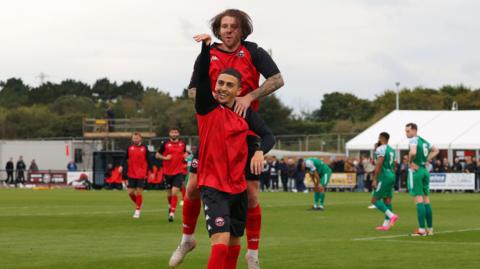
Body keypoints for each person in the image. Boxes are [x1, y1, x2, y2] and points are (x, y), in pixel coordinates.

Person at [171, 9, 284, 269]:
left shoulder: (254, 52)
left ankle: (252, 254)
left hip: (244, 133)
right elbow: (192, 91)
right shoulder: (208, 54)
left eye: (234, 26)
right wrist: (212, 98)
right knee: (192, 186)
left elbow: (277, 80)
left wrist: (249, 97)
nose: (229, 30)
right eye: (224, 26)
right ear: (217, 29)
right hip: (213, 130)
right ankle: (187, 239)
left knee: (251, 194)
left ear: (242, 30)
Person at [188, 37, 275, 269]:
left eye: (229, 85)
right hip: (213, 187)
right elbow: (203, 76)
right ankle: (186, 239)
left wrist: (259, 152)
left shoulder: (244, 112)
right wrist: (206, 48)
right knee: (221, 241)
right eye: (220, 83)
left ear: (238, 91)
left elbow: (269, 136)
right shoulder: (206, 107)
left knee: (235, 242)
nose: (223, 88)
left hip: (237, 188)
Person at [406, 123, 439, 236]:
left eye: (408, 131)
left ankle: (421, 230)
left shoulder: (413, 140)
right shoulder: (424, 141)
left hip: (417, 171)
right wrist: (426, 160)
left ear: (414, 131)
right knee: (426, 200)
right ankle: (430, 229)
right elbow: (436, 150)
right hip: (425, 171)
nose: (406, 133)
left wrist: (410, 161)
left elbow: (413, 152)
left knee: (419, 199)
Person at [156, 128, 187, 222]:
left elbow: (185, 154)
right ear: (169, 134)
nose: (174, 134)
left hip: (178, 172)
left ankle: (172, 213)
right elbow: (157, 155)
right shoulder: (165, 144)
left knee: (174, 192)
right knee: (169, 193)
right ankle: (170, 206)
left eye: (176, 132)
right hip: (167, 172)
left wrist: (186, 156)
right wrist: (165, 158)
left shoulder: (183, 144)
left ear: (178, 133)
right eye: (172, 132)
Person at [371, 132, 399, 231]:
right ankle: (385, 225)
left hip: (384, 176)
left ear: (380, 138)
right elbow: (395, 163)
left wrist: (375, 178)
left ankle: (392, 216)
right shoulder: (391, 150)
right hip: (391, 175)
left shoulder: (381, 148)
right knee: (387, 200)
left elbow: (379, 163)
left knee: (374, 200)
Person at [120, 132, 151, 219]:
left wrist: (150, 171)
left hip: (141, 173)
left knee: (138, 192)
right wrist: (121, 166)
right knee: (130, 192)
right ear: (132, 139)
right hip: (131, 173)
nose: (135, 139)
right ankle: (139, 203)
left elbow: (149, 160)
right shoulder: (129, 148)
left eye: (137, 138)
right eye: (134, 138)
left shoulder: (145, 148)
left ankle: (137, 210)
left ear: (140, 139)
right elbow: (124, 158)